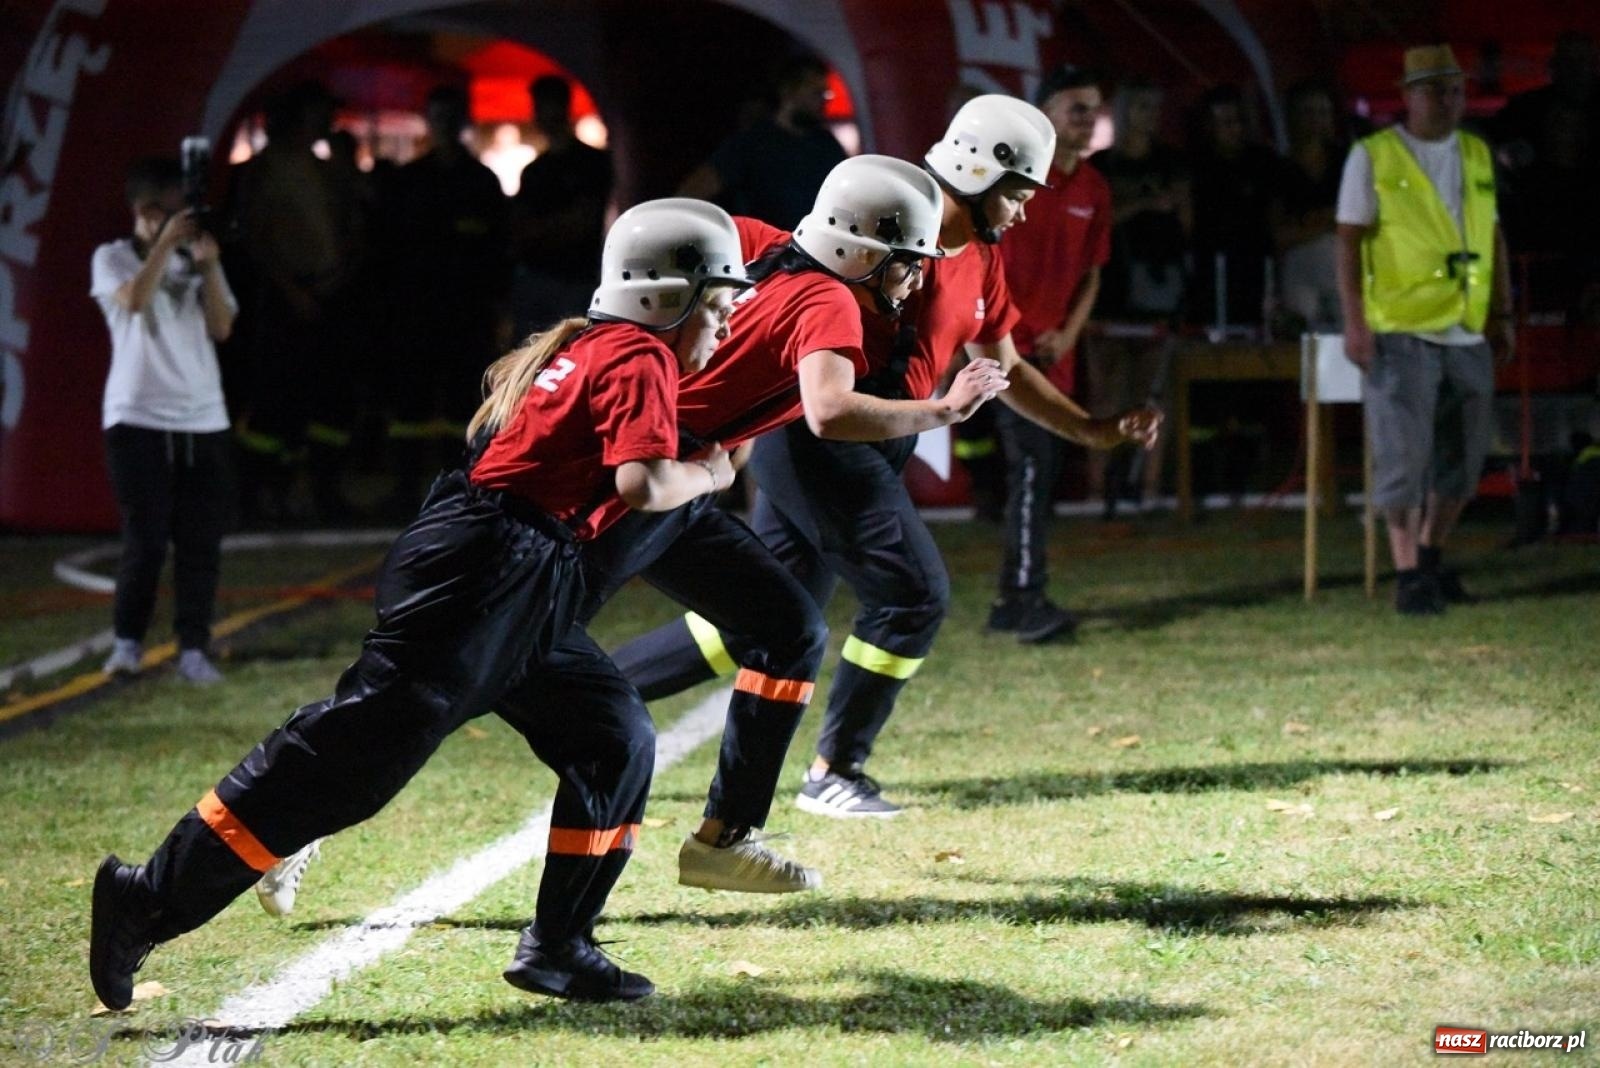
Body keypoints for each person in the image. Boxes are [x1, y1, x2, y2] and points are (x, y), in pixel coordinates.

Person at [255, 158, 1011, 914]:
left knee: (787, 627)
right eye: (909, 264)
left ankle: (725, 837)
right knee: (474, 670)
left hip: (667, 479)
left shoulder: (749, 239)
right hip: (637, 484)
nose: (916, 282)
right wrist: (944, 411)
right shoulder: (831, 303)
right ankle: (299, 816)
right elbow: (828, 409)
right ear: (863, 249)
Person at [90, 200, 753, 1010]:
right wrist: (713, 477)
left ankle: (559, 947)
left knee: (612, 736)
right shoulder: (638, 354)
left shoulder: (597, 343)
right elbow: (645, 483)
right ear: (665, 298)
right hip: (489, 572)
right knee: (348, 760)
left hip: (513, 568)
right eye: (716, 308)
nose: (722, 327)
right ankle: (145, 899)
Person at [615, 97, 1161, 819]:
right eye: (1018, 193)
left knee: (760, 619)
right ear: (976, 169)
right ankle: (834, 769)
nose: (1024, 212)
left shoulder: (982, 255)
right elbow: (813, 343)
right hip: (822, 439)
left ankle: (581, 684)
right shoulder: (888, 228)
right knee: (913, 594)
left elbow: (1002, 364)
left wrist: (1092, 431)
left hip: (866, 438)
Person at [1334, 44, 1515, 615]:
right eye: (1436, 89)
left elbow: (1494, 237)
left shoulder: (1477, 154)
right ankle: (1407, 571)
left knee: (1464, 459)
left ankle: (1432, 558)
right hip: (1401, 327)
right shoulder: (1374, 156)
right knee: (1403, 457)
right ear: (1408, 95)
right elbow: (1348, 240)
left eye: (1455, 89)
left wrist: (1503, 313)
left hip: (1465, 325)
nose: (1448, 100)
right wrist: (1355, 322)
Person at [93, 158, 238, 685]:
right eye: (176, 211)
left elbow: (222, 327)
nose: (186, 220)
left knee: (200, 541)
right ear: (149, 211)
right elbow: (132, 300)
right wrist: (162, 246)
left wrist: (209, 266)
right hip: (137, 417)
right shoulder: (111, 258)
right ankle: (127, 644)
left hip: (204, 417)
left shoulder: (193, 259)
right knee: (147, 537)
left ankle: (193, 648)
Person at [986, 65, 1113, 642]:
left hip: (1054, 353)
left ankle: (1013, 598)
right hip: (1005, 350)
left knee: (1039, 470)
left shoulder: (1094, 188)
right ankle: (1024, 597)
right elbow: (983, 261)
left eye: (1094, 110)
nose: (1088, 121)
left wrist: (1070, 333)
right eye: (1077, 108)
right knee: (1033, 466)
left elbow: (1092, 276)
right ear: (1046, 115)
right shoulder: (1015, 177)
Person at [382, 86, 513, 515]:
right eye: (436, 115)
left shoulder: (481, 182)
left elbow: (499, 249)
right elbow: (389, 247)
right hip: (416, 308)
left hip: (467, 308)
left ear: (462, 123)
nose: (443, 124)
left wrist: (498, 307)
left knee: (465, 399)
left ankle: (463, 487)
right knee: (411, 401)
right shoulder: (408, 181)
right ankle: (406, 489)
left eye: (450, 116)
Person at [1091, 78, 1191, 514]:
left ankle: (1147, 488)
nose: (1148, 117)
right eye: (1141, 107)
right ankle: (1100, 490)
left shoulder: (1173, 163)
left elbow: (1187, 222)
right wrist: (1143, 206)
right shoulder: (1102, 166)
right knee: (1106, 393)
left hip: (1159, 286)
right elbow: (1096, 223)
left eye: (1155, 108)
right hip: (1110, 289)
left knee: (1154, 392)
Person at [678, 55, 846, 228]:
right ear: (788, 91)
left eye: (826, 93)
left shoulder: (827, 144)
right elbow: (693, 191)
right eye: (816, 93)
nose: (824, 100)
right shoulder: (753, 143)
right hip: (771, 250)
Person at [511, 76, 613, 337]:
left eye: (546, 106)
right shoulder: (536, 171)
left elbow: (583, 221)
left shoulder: (590, 164)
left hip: (572, 278)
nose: (542, 115)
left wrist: (541, 229)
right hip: (550, 277)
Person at [1274, 81, 1347, 331]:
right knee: (1304, 341)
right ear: (1291, 117)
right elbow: (1277, 234)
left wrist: (1313, 221)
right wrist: (1326, 222)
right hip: (1299, 270)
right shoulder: (1278, 169)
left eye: (1323, 112)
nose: (1317, 120)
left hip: (1344, 265)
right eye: (1308, 112)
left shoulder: (1347, 161)